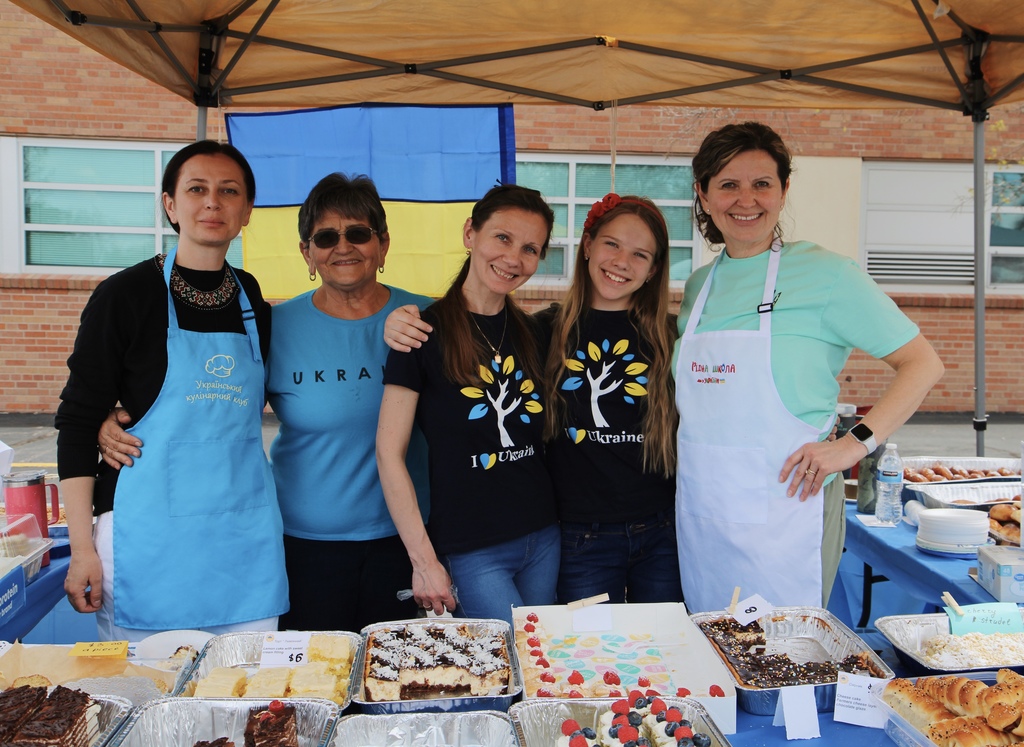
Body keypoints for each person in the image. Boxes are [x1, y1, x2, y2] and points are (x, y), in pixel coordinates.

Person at [98, 173, 433, 633]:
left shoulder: (429, 318)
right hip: (301, 542)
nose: (343, 247)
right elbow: (209, 396)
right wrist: (111, 415)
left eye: (358, 233)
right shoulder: (275, 323)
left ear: (383, 244)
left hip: (408, 540)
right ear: (306, 253)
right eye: (325, 237)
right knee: (315, 682)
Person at [675, 121, 944, 613]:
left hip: (788, 512)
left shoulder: (828, 274)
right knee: (712, 654)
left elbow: (921, 363)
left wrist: (852, 445)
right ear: (704, 194)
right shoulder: (697, 289)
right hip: (704, 514)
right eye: (728, 185)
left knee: (789, 661)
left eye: (762, 184)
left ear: (784, 191)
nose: (745, 200)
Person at [56, 140, 288, 641]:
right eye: (196, 189)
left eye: (229, 191)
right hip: (148, 541)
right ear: (170, 204)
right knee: (152, 705)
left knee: (252, 702)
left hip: (243, 539)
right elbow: (76, 424)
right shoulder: (124, 296)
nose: (212, 202)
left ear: (247, 211)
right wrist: (81, 550)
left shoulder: (253, 299)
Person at [376, 184, 560, 625]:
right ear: (470, 234)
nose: (514, 258)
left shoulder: (535, 334)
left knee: (540, 671)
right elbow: (388, 453)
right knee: (506, 673)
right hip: (473, 548)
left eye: (530, 248)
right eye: (502, 238)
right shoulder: (419, 334)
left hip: (544, 537)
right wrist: (423, 560)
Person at [537, 194, 681, 604]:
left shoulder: (673, 337)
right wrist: (408, 318)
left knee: (662, 654)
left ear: (654, 270)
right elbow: (476, 328)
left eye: (640, 254)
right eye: (612, 244)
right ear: (587, 245)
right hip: (581, 536)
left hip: (662, 534)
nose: (622, 262)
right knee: (588, 658)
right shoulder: (544, 330)